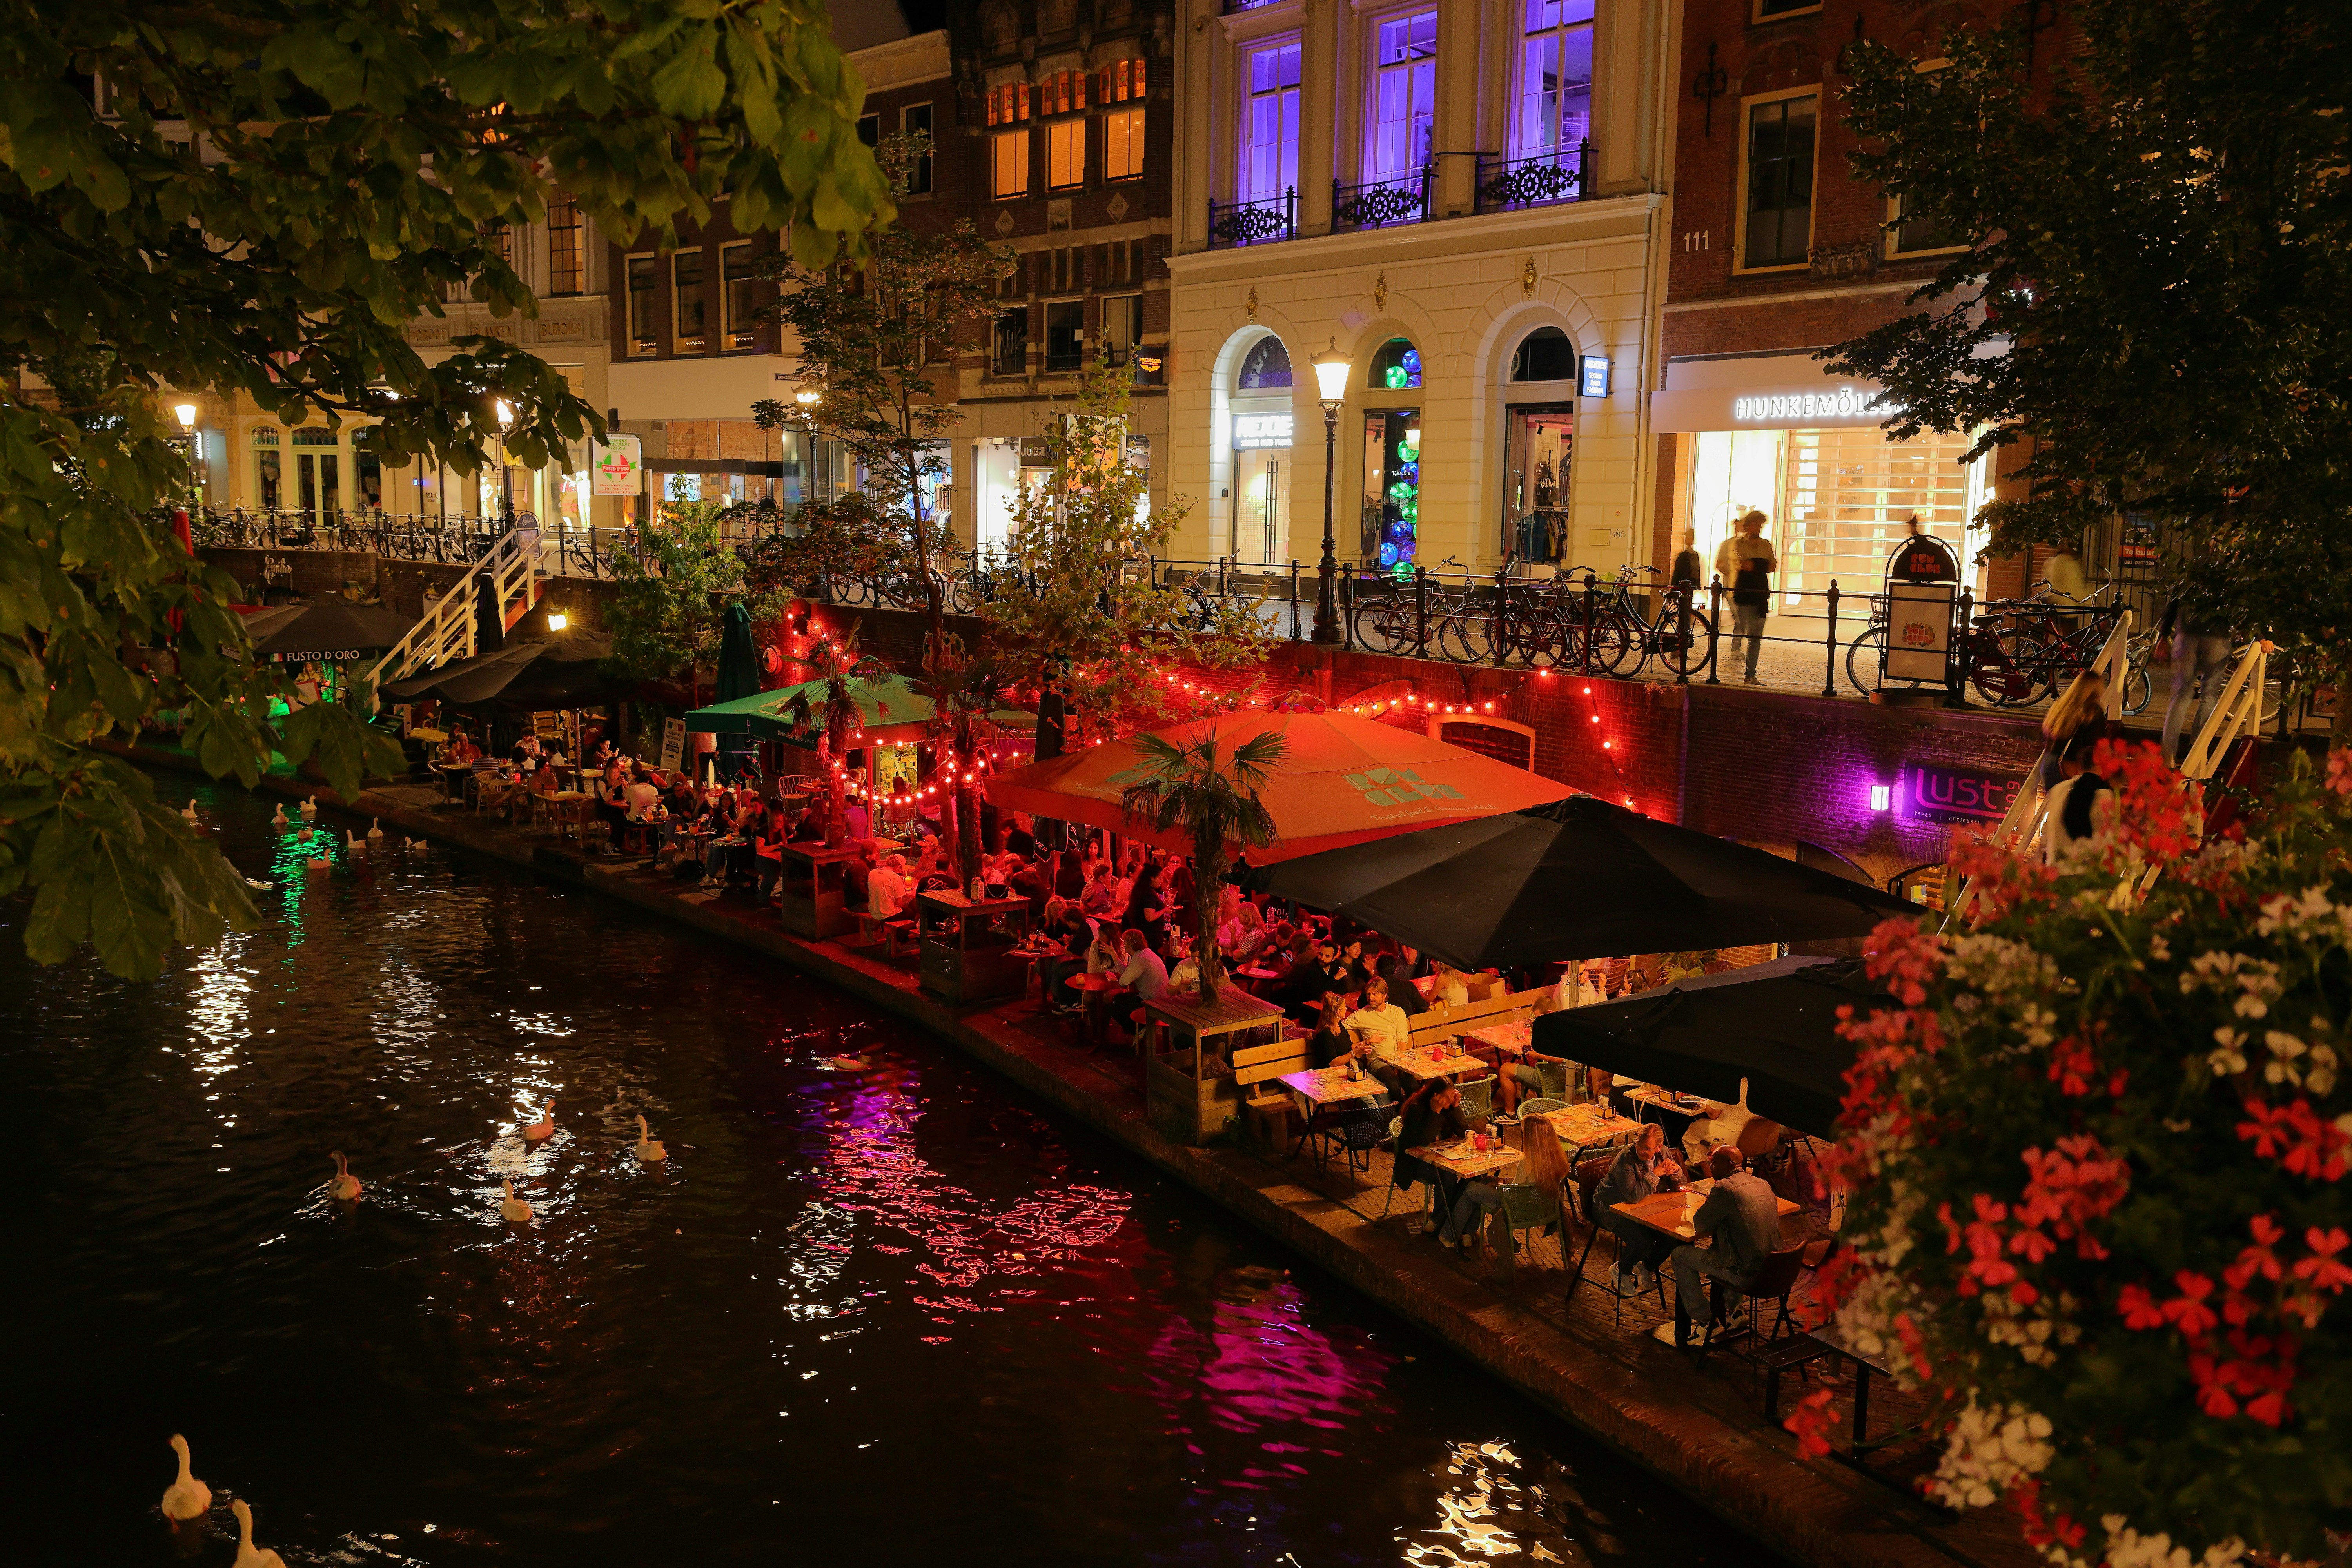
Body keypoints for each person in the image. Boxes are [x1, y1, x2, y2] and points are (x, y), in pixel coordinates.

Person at [1669, 1146, 1782, 1342]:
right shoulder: (1762, 1183)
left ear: (1729, 1165)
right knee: (1736, 1241)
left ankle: (1707, 1321)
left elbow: (1701, 1225)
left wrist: (1712, 1204)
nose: (1710, 1167)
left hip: (1746, 1275)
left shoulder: (1724, 1189)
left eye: (1714, 1163)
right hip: (1774, 1270)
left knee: (1680, 1255)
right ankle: (1736, 1310)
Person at [1439, 1115, 1572, 1255]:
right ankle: (1467, 1233)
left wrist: (1501, 1186)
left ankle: (1448, 1236)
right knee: (1485, 1182)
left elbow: (1513, 1195)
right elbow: (1527, 1184)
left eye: (1524, 1133)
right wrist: (1504, 1182)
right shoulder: (1559, 1159)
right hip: (1542, 1206)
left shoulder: (1527, 1163)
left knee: (1471, 1189)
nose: (1523, 1137)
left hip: (1518, 1209)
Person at [1594, 1124, 1686, 1296]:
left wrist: (1675, 1172)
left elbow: (1679, 1187)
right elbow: (1633, 1196)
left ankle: (1647, 1267)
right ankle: (1621, 1271)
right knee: (1643, 1243)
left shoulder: (1664, 1153)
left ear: (1658, 1147)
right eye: (1639, 1145)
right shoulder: (1626, 1159)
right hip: (1613, 1208)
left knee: (1674, 1237)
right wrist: (1656, 1174)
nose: (1642, 1151)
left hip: (1647, 1209)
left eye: (1648, 1148)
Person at [2158, 596, 2241, 765]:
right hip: (2218, 636)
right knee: (2209, 694)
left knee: (2181, 695)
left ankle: (2168, 755)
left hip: (2186, 635)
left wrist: (2163, 636)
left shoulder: (2187, 581)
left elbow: (2172, 606)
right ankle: (2198, 752)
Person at [1392, 1080, 1470, 1230]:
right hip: (1414, 1161)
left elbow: (1464, 1132)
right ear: (1436, 1096)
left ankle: (1455, 1218)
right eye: (1447, 1097)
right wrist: (1435, 1113)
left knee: (1472, 1175)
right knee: (1448, 1176)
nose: (1450, 1100)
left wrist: (1456, 1107)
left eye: (1452, 1096)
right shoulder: (1416, 1108)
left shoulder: (1448, 1107)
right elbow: (1423, 1142)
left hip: (1441, 1156)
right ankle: (1437, 1221)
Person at [1713, 509, 1777, 686]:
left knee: (1756, 639)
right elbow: (1744, 565)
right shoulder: (1738, 544)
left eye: (1761, 525)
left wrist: (1755, 564)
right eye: (1756, 524)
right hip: (1744, 593)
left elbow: (1772, 566)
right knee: (1744, 628)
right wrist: (1761, 564)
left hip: (1761, 595)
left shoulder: (1766, 544)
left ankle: (1750, 675)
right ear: (1749, 526)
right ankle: (1738, 654)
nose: (1759, 528)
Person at [2041, 728, 2114, 864]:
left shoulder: (2058, 789)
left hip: (2053, 867)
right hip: (2082, 869)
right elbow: (2108, 839)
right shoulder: (2104, 794)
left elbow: (2045, 835)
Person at [2038, 666, 2110, 791]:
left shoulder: (2061, 706)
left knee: (2054, 801)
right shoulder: (2092, 711)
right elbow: (2094, 744)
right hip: (2069, 769)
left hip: (2049, 765)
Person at [1110, 928, 1169, 1038]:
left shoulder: (1141, 958)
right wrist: (1113, 954)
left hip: (1154, 1000)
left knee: (1115, 1008)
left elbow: (1124, 981)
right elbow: (1127, 974)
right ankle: (1138, 1030)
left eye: (1125, 942)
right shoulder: (1144, 953)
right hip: (1156, 996)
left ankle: (1138, 1031)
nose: (1124, 945)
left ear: (1131, 944)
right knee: (1119, 999)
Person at [1339, 976, 1410, 1056]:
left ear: (1384, 995)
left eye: (1375, 994)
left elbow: (1402, 1040)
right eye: (1368, 994)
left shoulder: (1397, 1012)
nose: (1371, 998)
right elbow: (1338, 1028)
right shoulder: (1360, 1015)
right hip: (1378, 1060)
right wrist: (1362, 1044)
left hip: (1397, 1058)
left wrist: (1399, 1060)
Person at [1375, 953, 1428, 1019]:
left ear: (1377, 969)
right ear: (1395, 970)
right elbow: (1423, 1007)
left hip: (1382, 1024)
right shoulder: (1408, 986)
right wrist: (1411, 1018)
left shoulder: (1372, 989)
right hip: (1407, 1023)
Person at [868, 852, 911, 919]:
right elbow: (899, 904)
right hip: (889, 915)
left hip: (874, 913)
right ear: (899, 867)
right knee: (913, 913)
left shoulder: (872, 873)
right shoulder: (895, 877)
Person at [1669, 527, 1704, 595]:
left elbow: (1695, 572)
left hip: (1687, 585)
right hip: (1683, 584)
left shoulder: (1689, 555)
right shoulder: (1686, 555)